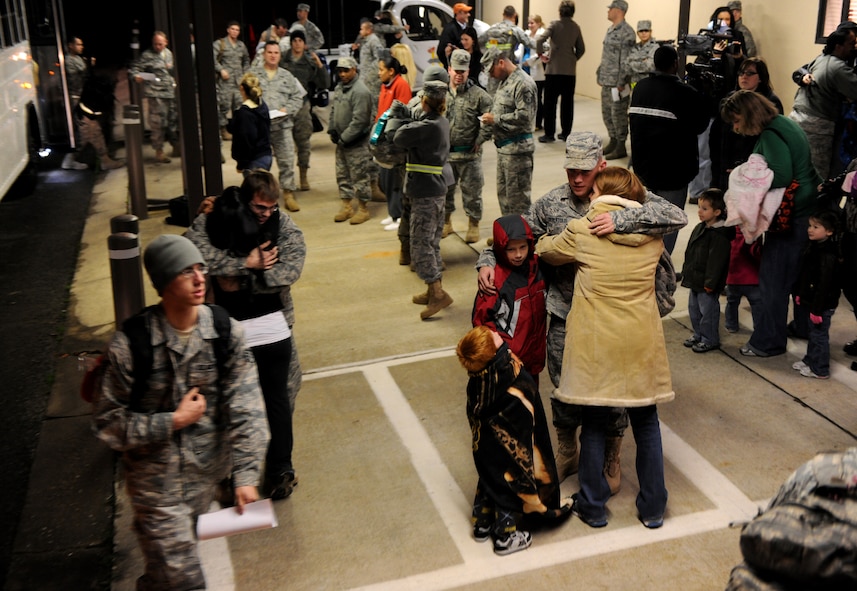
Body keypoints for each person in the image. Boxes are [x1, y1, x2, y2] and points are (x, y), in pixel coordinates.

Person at [476, 132, 687, 492]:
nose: (577, 178)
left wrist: (621, 222)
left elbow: (675, 214)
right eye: (571, 169)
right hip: (565, 310)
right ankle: (567, 447)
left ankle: (611, 450)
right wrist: (485, 261)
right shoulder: (550, 204)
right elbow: (516, 234)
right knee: (564, 385)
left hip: (613, 314)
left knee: (616, 387)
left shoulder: (624, 196)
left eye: (585, 171)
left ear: (601, 166)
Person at [92, 234, 270, 590]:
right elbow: (109, 424)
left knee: (165, 577)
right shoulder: (132, 345)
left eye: (200, 268)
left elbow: (248, 407)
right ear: (162, 283)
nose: (199, 278)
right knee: (185, 580)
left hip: (206, 476)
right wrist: (172, 421)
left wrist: (247, 475)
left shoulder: (223, 331)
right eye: (185, 271)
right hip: (157, 487)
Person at [535, 166, 674, 529]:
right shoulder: (653, 234)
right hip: (640, 340)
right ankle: (654, 507)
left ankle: (594, 506)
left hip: (597, 343)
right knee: (647, 423)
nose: (589, 195)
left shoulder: (582, 229)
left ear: (603, 193)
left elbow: (546, 250)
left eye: (594, 190)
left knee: (594, 422)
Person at [186, 170, 306, 499]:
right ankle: (231, 473)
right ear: (244, 198)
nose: (266, 214)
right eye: (258, 208)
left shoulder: (283, 227)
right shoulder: (217, 217)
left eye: (271, 208)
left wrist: (241, 280)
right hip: (222, 328)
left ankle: (280, 468)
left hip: (273, 322)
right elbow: (194, 257)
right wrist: (246, 264)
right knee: (226, 402)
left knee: (283, 393)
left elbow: (290, 269)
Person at [720, 90, 822, 358]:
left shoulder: (769, 135)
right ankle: (802, 327)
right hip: (809, 209)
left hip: (793, 215)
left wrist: (746, 176)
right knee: (799, 279)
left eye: (736, 120)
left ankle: (768, 342)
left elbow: (781, 175)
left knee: (773, 282)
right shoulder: (784, 122)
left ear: (749, 114)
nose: (736, 127)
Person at [455, 325, 570, 556]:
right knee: (508, 483)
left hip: (486, 448)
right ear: (492, 355)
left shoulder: (478, 382)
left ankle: (482, 522)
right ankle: (505, 535)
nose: (497, 334)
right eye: (494, 338)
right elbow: (526, 419)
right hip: (509, 450)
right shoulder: (512, 378)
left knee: (489, 475)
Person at [629, 44, 710, 254]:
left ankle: (644, 266)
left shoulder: (640, 88)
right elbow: (701, 125)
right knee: (668, 223)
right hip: (673, 173)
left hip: (643, 170)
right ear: (676, 64)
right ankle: (661, 269)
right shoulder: (684, 93)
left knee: (645, 220)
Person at [393, 80, 455, 319]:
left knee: (420, 244)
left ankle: (438, 294)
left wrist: (404, 117)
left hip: (425, 194)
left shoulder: (426, 127)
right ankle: (432, 290)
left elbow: (400, 136)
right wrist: (410, 115)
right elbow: (420, 124)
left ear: (426, 102)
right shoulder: (440, 121)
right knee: (431, 242)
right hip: (435, 190)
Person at [471, 214, 546, 384]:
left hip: (534, 359)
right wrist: (501, 356)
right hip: (507, 363)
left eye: (522, 247)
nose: (518, 254)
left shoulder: (538, 268)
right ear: (500, 248)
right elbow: (481, 323)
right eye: (511, 249)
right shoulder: (494, 280)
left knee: (531, 402)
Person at [789, 28, 857, 180]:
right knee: (817, 174)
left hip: (798, 118)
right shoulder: (838, 68)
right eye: (851, 44)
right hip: (817, 125)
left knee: (796, 167)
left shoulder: (820, 59)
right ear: (839, 46)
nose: (854, 47)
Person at [480, 46, 537, 216]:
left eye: (492, 70)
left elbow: (525, 116)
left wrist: (495, 119)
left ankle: (521, 238)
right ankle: (507, 236)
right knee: (504, 197)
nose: (490, 75)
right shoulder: (505, 81)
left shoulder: (523, 83)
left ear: (501, 63)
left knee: (518, 201)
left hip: (518, 151)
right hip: (505, 149)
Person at [442, 49, 492, 244]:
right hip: (446, 156)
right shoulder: (441, 93)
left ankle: (473, 223)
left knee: (472, 192)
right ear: (449, 69)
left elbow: (489, 119)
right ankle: (446, 222)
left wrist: (479, 140)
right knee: (445, 191)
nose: (459, 74)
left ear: (468, 70)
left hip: (470, 156)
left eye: (463, 71)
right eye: (456, 70)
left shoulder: (479, 95)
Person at [711, 57, 783, 191]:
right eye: (741, 73)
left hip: (754, 169)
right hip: (726, 164)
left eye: (750, 73)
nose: (744, 77)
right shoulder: (729, 100)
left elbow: (769, 142)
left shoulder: (770, 103)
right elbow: (717, 135)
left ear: (761, 77)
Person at [251, 41, 305, 213]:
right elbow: (243, 98)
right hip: (261, 129)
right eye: (270, 52)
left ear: (280, 55)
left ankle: (288, 193)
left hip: (282, 126)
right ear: (264, 54)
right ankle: (259, 196)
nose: (273, 55)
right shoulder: (254, 76)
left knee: (287, 160)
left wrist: (287, 109)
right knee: (259, 165)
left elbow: (298, 97)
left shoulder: (287, 76)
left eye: (276, 52)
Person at [680, 188, 732, 353]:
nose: (700, 212)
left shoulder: (720, 235)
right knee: (694, 310)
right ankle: (698, 334)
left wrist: (710, 283)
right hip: (695, 279)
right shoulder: (700, 228)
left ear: (717, 212)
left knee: (708, 312)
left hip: (707, 283)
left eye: (704, 208)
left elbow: (716, 263)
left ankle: (710, 339)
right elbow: (690, 251)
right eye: (699, 207)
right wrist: (686, 273)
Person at [792, 210, 842, 379]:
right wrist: (801, 294)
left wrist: (817, 310)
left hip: (822, 305)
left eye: (816, 227)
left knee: (819, 336)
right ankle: (810, 360)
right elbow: (806, 275)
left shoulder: (828, 254)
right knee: (813, 333)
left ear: (829, 231)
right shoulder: (813, 247)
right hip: (811, 301)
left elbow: (825, 285)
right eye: (810, 226)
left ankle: (820, 369)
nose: (810, 229)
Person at [281, 29, 330, 192]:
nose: (297, 44)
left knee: (303, 143)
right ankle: (287, 180)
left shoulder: (309, 63)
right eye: (294, 40)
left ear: (304, 44)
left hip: (302, 106)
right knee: (284, 145)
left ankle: (303, 175)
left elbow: (324, 83)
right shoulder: (282, 60)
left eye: (300, 41)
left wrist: (320, 66)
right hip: (284, 107)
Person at [329, 56, 374, 225]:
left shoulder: (360, 91)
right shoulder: (340, 87)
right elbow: (334, 109)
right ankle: (347, 206)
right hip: (342, 142)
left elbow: (360, 120)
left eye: (346, 70)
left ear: (354, 70)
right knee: (342, 174)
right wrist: (332, 129)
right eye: (340, 71)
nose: (342, 74)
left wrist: (345, 138)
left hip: (356, 143)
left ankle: (363, 209)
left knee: (360, 175)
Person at [536, 1, 585, 144]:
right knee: (567, 104)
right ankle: (565, 133)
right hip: (569, 71)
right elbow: (581, 48)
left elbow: (540, 39)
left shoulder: (554, 25)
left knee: (550, 103)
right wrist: (573, 59)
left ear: (560, 12)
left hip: (553, 69)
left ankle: (549, 134)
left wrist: (541, 55)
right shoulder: (576, 27)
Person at [129, 31, 178, 163]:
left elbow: (170, 71)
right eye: (155, 44)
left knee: (172, 121)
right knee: (157, 123)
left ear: (166, 43)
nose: (158, 47)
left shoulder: (168, 53)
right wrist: (145, 77)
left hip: (169, 92)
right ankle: (159, 151)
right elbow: (135, 70)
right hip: (155, 94)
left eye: (160, 44)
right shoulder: (147, 55)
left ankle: (176, 146)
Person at [597, 0, 636, 160]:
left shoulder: (627, 32)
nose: (608, 11)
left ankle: (621, 145)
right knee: (607, 113)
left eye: (610, 9)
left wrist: (621, 82)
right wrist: (599, 73)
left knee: (618, 115)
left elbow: (625, 60)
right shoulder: (610, 29)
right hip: (607, 80)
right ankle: (613, 140)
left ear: (618, 10)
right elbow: (606, 55)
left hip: (618, 84)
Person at [376, 56, 412, 231]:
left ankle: (399, 216)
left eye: (381, 69)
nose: (379, 73)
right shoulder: (385, 86)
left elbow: (400, 116)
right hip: (382, 142)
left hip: (393, 143)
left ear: (391, 71)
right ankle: (392, 212)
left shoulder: (401, 85)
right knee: (385, 179)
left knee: (395, 180)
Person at [227, 72, 272, 175]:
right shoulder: (262, 106)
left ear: (242, 88)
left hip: (253, 160)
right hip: (266, 155)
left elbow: (245, 140)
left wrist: (241, 164)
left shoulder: (244, 114)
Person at [214, 21, 251, 141]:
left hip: (238, 81)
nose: (235, 32)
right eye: (233, 29)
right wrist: (221, 70)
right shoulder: (220, 44)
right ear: (228, 30)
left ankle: (239, 129)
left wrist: (246, 73)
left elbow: (246, 60)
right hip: (226, 81)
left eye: (237, 30)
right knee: (224, 106)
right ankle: (223, 130)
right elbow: (211, 58)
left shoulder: (241, 45)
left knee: (240, 107)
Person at [724, 225, 763, 335]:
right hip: (752, 279)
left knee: (732, 302)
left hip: (733, 278)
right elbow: (757, 254)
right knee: (756, 305)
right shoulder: (754, 233)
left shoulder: (729, 234)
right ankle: (759, 328)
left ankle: (731, 325)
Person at [518, 14, 546, 132]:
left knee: (537, 98)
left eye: (532, 23)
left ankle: (538, 123)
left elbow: (544, 53)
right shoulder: (526, 34)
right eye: (528, 23)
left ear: (538, 23)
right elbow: (520, 51)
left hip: (537, 70)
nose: (530, 25)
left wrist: (529, 62)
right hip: (524, 69)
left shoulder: (542, 35)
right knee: (527, 98)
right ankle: (528, 121)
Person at [438, 3, 473, 69]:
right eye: (465, 12)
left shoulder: (468, 28)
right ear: (458, 14)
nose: (468, 15)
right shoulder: (449, 29)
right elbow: (441, 51)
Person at [625, 20, 658, 87]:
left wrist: (633, 63)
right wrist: (642, 61)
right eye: (641, 31)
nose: (643, 33)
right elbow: (626, 67)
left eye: (646, 31)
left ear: (650, 32)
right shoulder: (634, 47)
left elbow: (649, 66)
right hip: (634, 85)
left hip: (649, 85)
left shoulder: (655, 47)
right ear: (637, 33)